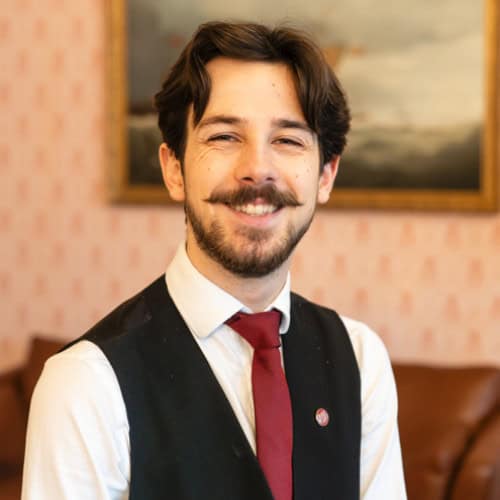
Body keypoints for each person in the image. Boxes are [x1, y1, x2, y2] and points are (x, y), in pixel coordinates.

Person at [22, 21, 406, 500]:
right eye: (224, 137)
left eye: (288, 140)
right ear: (173, 168)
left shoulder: (360, 360)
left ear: (325, 175)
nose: (257, 170)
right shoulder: (83, 385)